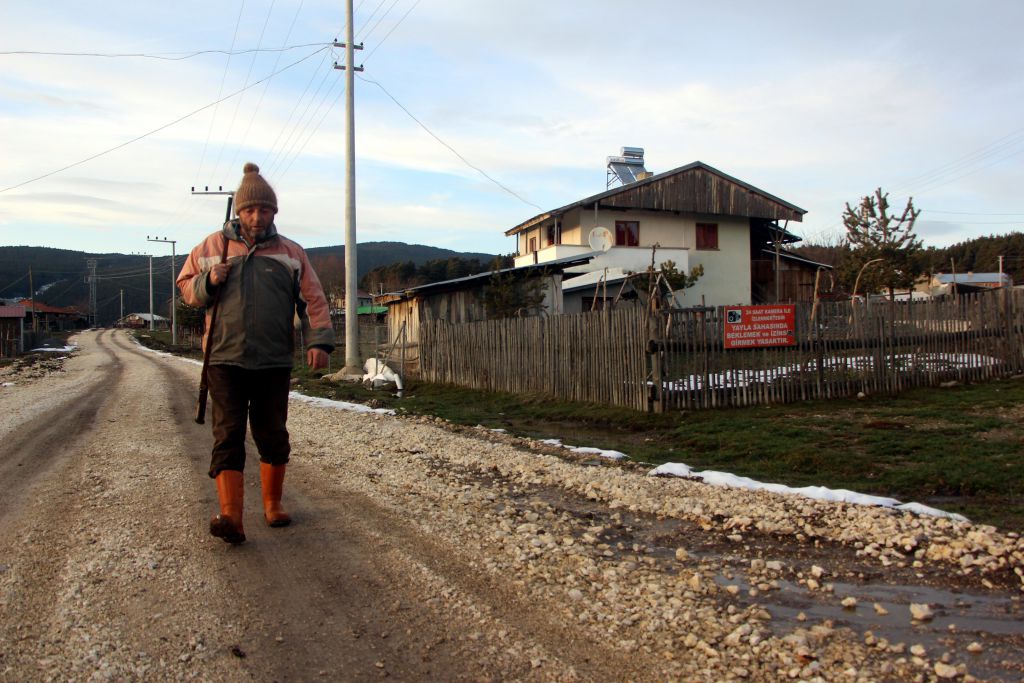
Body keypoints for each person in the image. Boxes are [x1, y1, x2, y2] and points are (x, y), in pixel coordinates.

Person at [177, 162, 334, 544]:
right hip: (224, 359)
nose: (257, 216)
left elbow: (313, 300)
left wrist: (319, 343)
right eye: (250, 210)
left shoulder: (291, 253)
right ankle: (231, 517)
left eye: (265, 210)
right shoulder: (213, 247)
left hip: (273, 361)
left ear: (274, 213)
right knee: (228, 434)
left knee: (272, 434)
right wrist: (208, 281)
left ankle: (272, 504)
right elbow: (185, 288)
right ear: (239, 211)